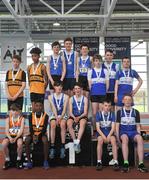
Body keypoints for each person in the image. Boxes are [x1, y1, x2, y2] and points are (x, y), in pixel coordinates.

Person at [116, 94, 148, 173]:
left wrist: (139, 134)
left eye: (129, 99)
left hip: (133, 132)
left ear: (132, 101)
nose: (127, 101)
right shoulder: (119, 112)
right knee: (124, 138)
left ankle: (141, 164)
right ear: (123, 101)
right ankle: (126, 163)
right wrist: (117, 138)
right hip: (123, 132)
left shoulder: (136, 112)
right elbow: (117, 127)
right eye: (126, 99)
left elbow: (138, 126)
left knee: (140, 139)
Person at [24, 100, 49, 169]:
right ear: (34, 107)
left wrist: (38, 136)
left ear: (42, 107)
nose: (38, 107)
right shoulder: (30, 116)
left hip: (42, 134)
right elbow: (31, 128)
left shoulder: (46, 116)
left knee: (45, 141)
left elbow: (44, 129)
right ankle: (29, 162)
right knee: (26, 140)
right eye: (37, 106)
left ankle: (45, 161)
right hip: (33, 134)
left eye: (40, 106)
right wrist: (33, 136)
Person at [88, 54, 109, 133]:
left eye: (99, 61)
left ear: (101, 61)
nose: (98, 62)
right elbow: (90, 84)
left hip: (102, 94)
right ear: (93, 62)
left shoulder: (105, 70)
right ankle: (95, 130)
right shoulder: (90, 71)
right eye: (96, 61)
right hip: (94, 94)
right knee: (94, 113)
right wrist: (92, 91)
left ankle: (102, 128)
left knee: (101, 112)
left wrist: (105, 91)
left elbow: (107, 82)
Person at [96, 100, 119, 171]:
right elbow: (97, 128)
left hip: (109, 132)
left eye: (109, 106)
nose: (107, 107)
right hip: (101, 132)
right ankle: (99, 162)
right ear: (102, 106)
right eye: (106, 105)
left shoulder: (112, 114)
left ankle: (115, 162)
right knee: (100, 140)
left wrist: (108, 136)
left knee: (113, 140)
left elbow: (113, 128)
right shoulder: (98, 114)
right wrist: (103, 136)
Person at [48, 81, 69, 159]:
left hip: (63, 114)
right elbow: (53, 108)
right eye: (57, 86)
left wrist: (60, 118)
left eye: (60, 86)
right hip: (54, 114)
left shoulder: (66, 96)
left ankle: (63, 147)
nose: (59, 88)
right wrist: (57, 118)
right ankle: (52, 147)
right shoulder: (50, 97)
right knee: (53, 125)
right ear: (54, 87)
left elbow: (64, 109)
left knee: (63, 125)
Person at [2, 103, 25, 169]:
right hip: (10, 136)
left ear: (19, 111)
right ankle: (7, 159)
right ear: (10, 111)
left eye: (16, 110)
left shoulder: (22, 119)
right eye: (13, 110)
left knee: (20, 144)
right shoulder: (8, 119)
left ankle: (19, 159)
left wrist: (16, 138)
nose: (14, 112)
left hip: (18, 136)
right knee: (4, 144)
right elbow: (6, 131)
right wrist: (9, 137)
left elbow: (21, 130)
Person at [67, 82, 88, 153]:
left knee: (82, 123)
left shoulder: (85, 99)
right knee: (69, 123)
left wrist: (79, 117)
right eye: (76, 88)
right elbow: (70, 112)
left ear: (81, 89)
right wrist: (74, 117)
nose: (77, 90)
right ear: (73, 90)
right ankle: (75, 141)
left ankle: (77, 142)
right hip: (73, 116)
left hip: (82, 116)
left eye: (78, 88)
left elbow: (85, 112)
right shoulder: (71, 99)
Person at [27, 47, 48, 111]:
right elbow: (29, 79)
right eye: (32, 56)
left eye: (35, 56)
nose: (33, 57)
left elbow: (46, 80)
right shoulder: (29, 67)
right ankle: (34, 121)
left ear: (39, 56)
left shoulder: (43, 67)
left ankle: (42, 121)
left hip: (40, 90)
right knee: (33, 109)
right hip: (32, 90)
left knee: (41, 108)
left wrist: (43, 88)